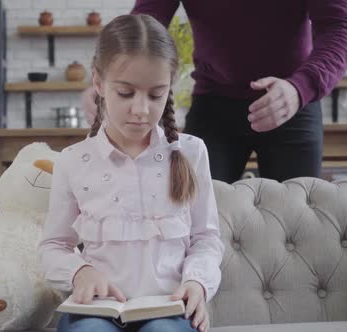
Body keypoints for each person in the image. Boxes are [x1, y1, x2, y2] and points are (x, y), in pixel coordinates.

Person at [40, 14, 224, 332]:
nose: (141, 110)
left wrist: (198, 284)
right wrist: (79, 272)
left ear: (171, 86)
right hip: (96, 312)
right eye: (126, 93)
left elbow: (206, 238)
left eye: (156, 95)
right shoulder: (73, 161)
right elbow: (53, 245)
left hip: (168, 309)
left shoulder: (192, 152)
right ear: (98, 83)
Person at [82, 0, 347, 184]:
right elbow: (146, 19)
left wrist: (302, 87)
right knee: (191, 217)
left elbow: (340, 27)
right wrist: (109, 76)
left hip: (292, 101)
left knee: (299, 225)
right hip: (214, 106)